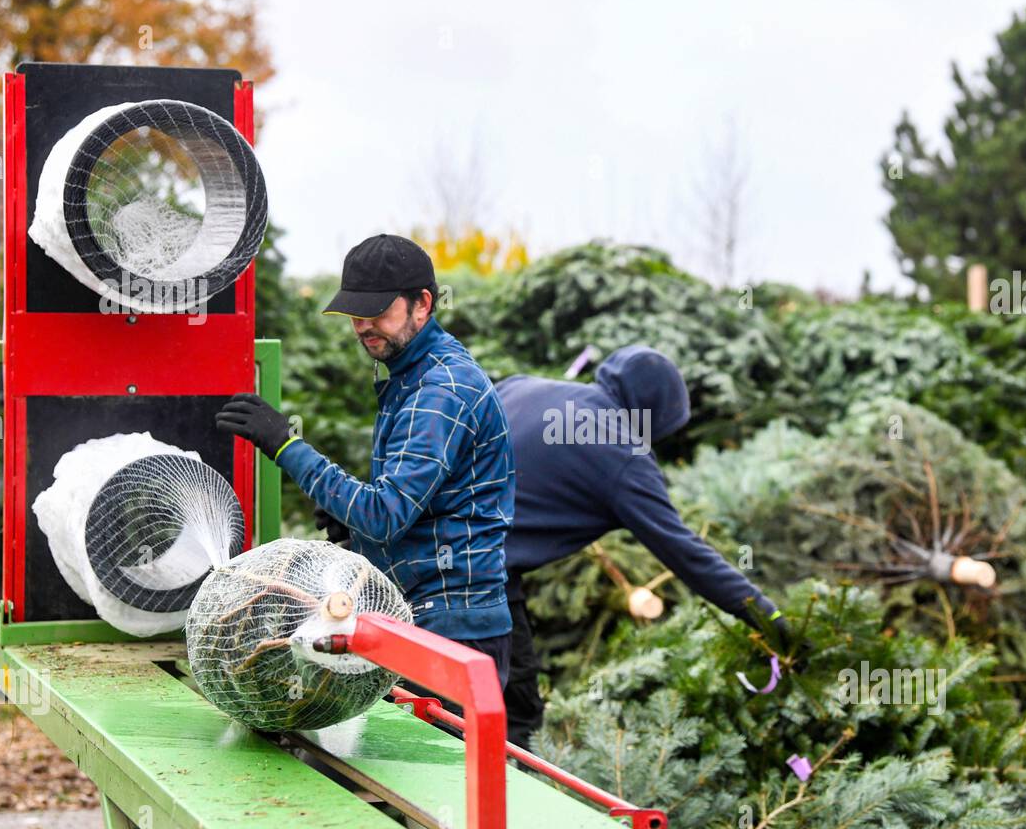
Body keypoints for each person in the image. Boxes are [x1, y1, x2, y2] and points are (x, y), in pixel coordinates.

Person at [215, 234, 516, 687]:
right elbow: (415, 505)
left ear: (423, 304)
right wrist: (351, 525)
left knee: (425, 759)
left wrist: (285, 446)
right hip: (429, 618)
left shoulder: (439, 390)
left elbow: (386, 515)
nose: (362, 326)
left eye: (377, 311)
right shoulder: (413, 374)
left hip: (451, 632)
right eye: (355, 314)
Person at [497, 345, 786, 748]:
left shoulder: (524, 387)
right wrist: (772, 620)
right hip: (470, 582)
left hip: (410, 551)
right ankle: (473, 807)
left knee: (438, 697)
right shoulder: (623, 455)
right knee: (513, 721)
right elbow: (686, 553)